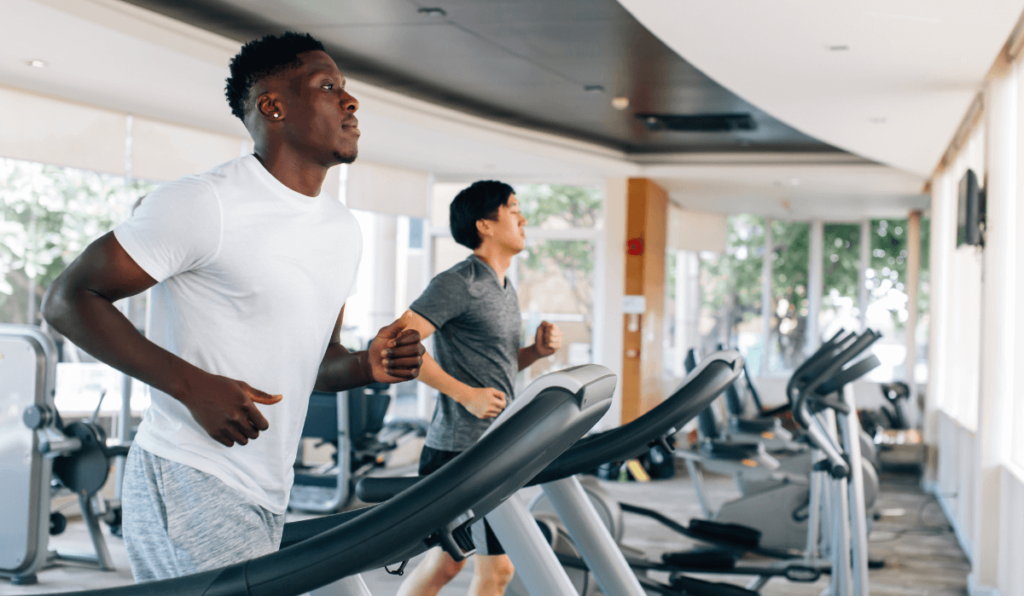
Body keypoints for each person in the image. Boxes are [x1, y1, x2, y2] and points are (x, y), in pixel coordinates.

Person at [41, 32, 424, 582]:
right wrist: (192, 387)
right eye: (329, 86)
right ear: (274, 105)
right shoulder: (204, 203)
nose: (351, 101)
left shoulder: (343, 229)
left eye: (346, 89)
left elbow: (314, 365)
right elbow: (68, 299)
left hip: (269, 486)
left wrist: (366, 365)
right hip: (189, 474)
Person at [394, 180, 562, 596]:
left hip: (493, 446)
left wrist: (533, 353)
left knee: (448, 566)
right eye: (513, 209)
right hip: (459, 450)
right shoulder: (460, 281)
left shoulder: (504, 286)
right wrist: (464, 394)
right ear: (485, 224)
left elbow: (496, 364)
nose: (523, 218)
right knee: (497, 569)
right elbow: (400, 342)